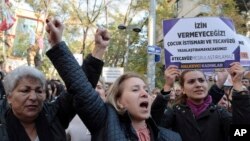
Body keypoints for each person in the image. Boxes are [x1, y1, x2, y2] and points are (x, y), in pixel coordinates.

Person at [45, 18, 182, 141]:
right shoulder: (106, 123)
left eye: (146, 90)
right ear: (119, 102)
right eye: (135, 89)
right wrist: (58, 44)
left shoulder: (172, 137)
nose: (144, 93)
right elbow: (80, 85)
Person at [0, 24, 108, 141]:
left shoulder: (54, 114)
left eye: (39, 91)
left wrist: (99, 49)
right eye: (25, 90)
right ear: (9, 97)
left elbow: (80, 87)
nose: (33, 97)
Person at [151, 64, 250, 141]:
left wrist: (237, 83)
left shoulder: (219, 112)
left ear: (207, 85)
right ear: (183, 89)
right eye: (191, 82)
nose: (198, 85)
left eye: (201, 80)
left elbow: (242, 132)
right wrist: (167, 86)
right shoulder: (175, 112)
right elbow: (154, 126)